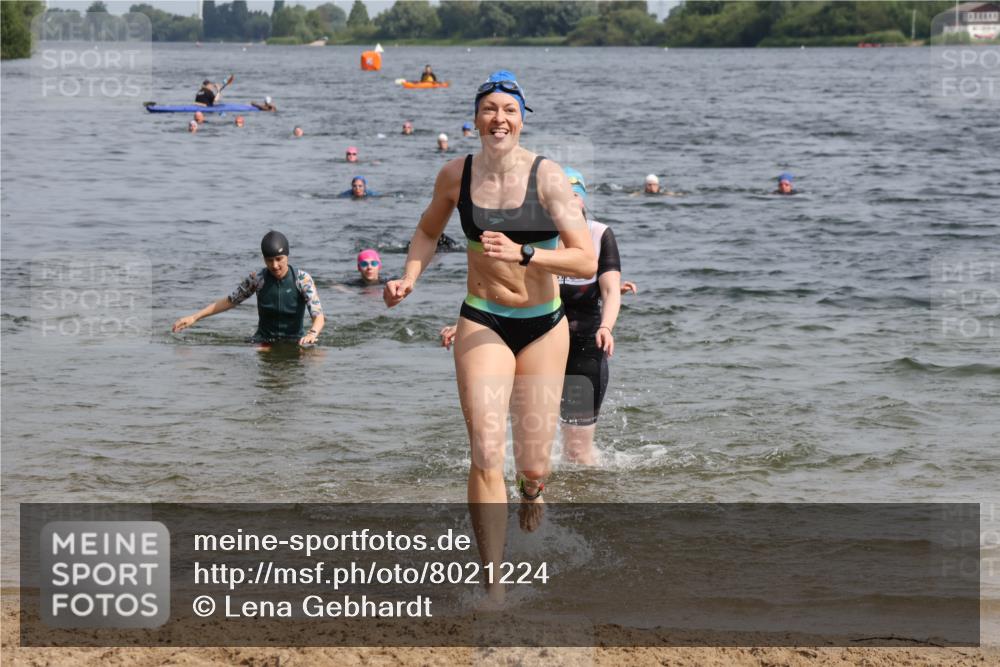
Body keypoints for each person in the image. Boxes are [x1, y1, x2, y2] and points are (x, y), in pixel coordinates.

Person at [384, 70, 595, 602]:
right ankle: (494, 585)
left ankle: (532, 491)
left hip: (544, 325)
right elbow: (428, 231)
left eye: (509, 110)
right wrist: (409, 276)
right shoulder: (456, 175)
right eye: (489, 108)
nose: (498, 118)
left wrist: (526, 252)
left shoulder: (548, 179)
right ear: (476, 118)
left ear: (522, 120)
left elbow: (585, 257)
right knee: (483, 449)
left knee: (532, 462)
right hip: (482, 317)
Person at [441, 167, 637, 465]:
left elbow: (610, 290)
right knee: (529, 444)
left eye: (574, 196)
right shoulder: (531, 238)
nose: (567, 202)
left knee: (577, 453)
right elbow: (504, 290)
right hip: (536, 341)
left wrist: (607, 327)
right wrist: (468, 324)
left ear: (582, 201)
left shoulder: (598, 235)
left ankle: (592, 503)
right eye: (561, 196)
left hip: (583, 346)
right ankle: (532, 498)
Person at [171, 231, 324, 346]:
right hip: (264, 339)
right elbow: (230, 301)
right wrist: (194, 317)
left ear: (287, 256)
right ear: (264, 259)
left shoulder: (303, 279)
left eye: (279, 259)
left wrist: (312, 333)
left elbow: (318, 316)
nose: (275, 265)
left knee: (316, 359)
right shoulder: (257, 279)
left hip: (295, 340)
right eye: (269, 260)